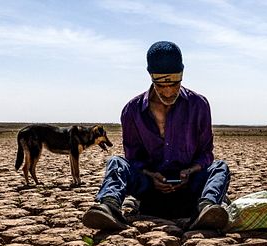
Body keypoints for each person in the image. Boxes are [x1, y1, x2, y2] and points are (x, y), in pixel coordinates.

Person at [82, 41, 230, 233]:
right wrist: (151, 176)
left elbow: (206, 154)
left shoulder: (198, 105)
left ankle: (207, 210)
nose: (168, 92)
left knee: (220, 167)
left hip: (189, 189)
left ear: (182, 75)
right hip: (150, 189)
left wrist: (190, 171)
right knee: (116, 162)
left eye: (174, 84)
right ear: (151, 76)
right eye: (160, 85)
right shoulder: (132, 110)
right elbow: (133, 158)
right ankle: (108, 207)